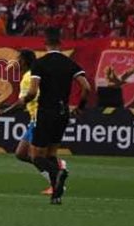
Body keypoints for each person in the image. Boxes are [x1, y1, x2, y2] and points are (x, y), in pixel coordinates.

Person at [22, 27, 92, 204]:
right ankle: (57, 194)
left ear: (45, 42)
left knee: (36, 156)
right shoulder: (70, 63)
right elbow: (86, 87)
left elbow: (33, 91)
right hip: (63, 112)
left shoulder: (40, 63)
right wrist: (81, 106)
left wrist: (24, 100)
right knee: (51, 153)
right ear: (61, 43)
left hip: (46, 111)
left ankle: (57, 172)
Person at [0, 49, 65, 195]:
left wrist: (4, 112)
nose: (16, 62)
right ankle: (56, 171)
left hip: (40, 119)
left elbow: (22, 102)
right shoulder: (35, 75)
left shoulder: (28, 78)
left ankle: (56, 175)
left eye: (18, 59)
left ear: (23, 61)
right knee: (22, 153)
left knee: (36, 156)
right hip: (38, 119)